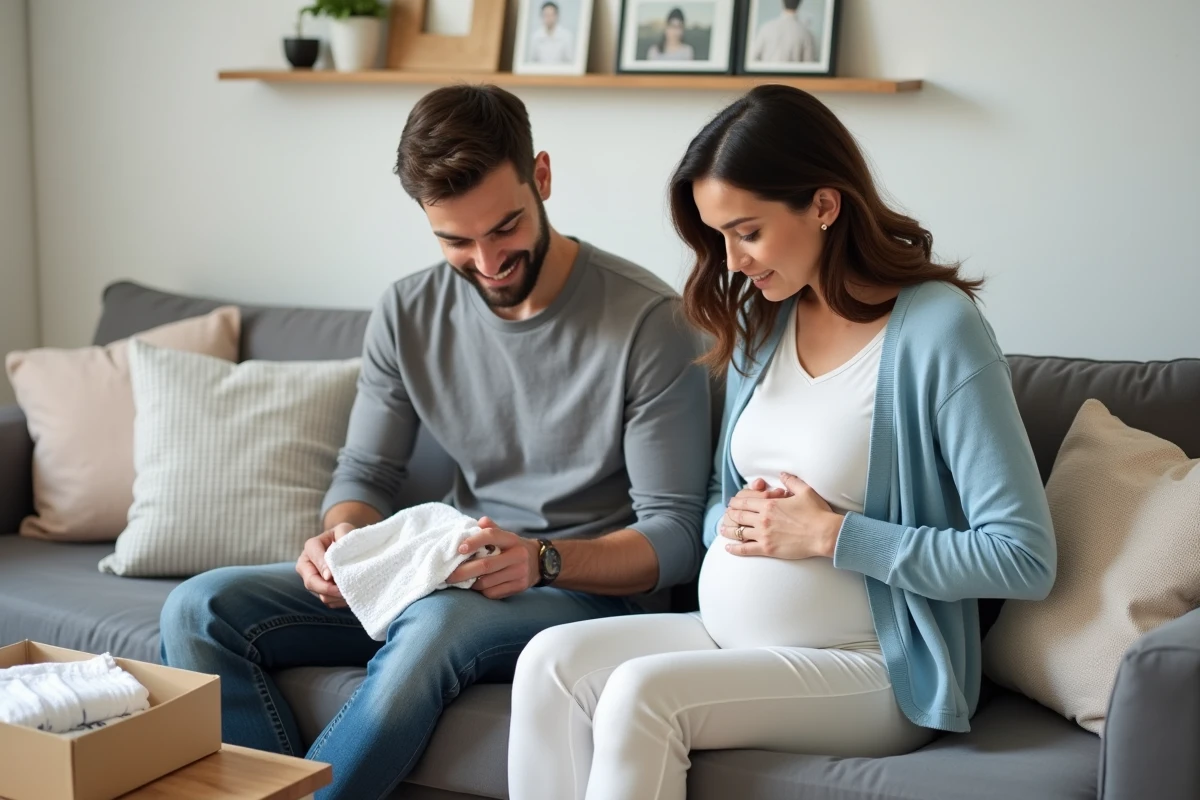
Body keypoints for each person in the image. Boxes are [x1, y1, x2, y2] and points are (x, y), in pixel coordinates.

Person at [159, 84, 712, 800]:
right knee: (200, 610)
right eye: (456, 239)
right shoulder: (406, 311)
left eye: (506, 227)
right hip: (447, 574)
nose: (487, 261)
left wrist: (541, 560)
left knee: (436, 624)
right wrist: (341, 539)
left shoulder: (650, 322)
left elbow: (674, 537)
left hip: (585, 591)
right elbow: (365, 470)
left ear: (541, 177)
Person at [508, 84, 1057, 800]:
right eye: (718, 237)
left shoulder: (938, 331)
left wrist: (834, 536)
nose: (732, 261)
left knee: (644, 692)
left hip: (874, 666)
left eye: (748, 231)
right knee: (549, 660)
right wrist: (733, 521)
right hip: (732, 637)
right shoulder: (765, 321)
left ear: (824, 205)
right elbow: (717, 496)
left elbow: (1023, 558)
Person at [750, 0, 817, 63]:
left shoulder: (766, 28)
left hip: (766, 74)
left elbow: (753, 58)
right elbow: (809, 64)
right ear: (800, 3)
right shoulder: (807, 34)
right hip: (792, 75)